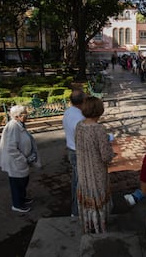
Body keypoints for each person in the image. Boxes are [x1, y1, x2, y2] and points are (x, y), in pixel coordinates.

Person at [75, 96, 115, 233]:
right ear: (98, 110)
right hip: (96, 171)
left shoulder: (79, 126)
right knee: (98, 195)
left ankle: (89, 224)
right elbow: (106, 156)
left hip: (83, 169)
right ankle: (100, 226)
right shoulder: (99, 129)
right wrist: (111, 149)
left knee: (87, 195)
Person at [0, 105, 42, 212]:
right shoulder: (13, 127)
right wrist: (23, 159)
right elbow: (11, 148)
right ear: (18, 116)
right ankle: (17, 204)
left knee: (23, 180)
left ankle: (22, 199)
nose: (27, 115)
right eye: (25, 113)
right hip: (15, 161)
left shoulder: (18, 124)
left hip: (20, 160)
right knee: (17, 182)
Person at [62, 89, 86, 217]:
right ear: (82, 101)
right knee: (79, 183)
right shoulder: (80, 118)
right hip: (78, 151)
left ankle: (76, 209)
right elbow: (83, 138)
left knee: (76, 180)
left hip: (72, 149)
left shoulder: (68, 112)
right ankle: (76, 211)